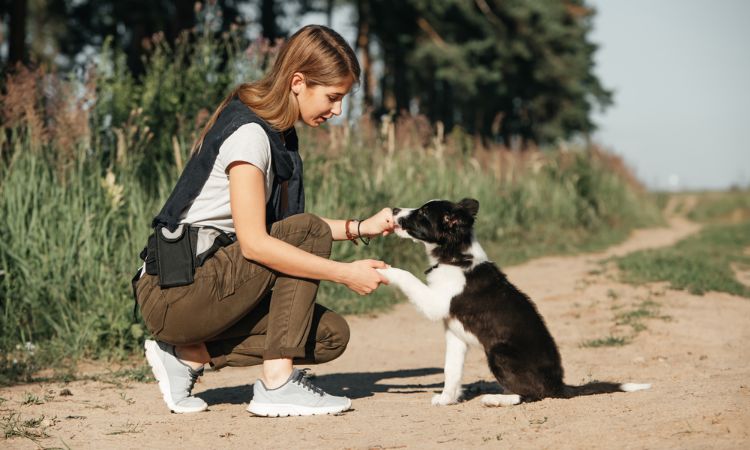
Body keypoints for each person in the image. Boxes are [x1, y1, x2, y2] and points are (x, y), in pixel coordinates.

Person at [133, 25, 394, 417]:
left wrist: (360, 227)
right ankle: (277, 384)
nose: (338, 110)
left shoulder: (278, 135)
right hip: (174, 291)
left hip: (207, 286)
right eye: (333, 97)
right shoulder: (251, 134)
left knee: (329, 336)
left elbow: (282, 230)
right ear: (298, 82)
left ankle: (189, 354)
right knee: (306, 231)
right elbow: (258, 243)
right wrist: (344, 274)